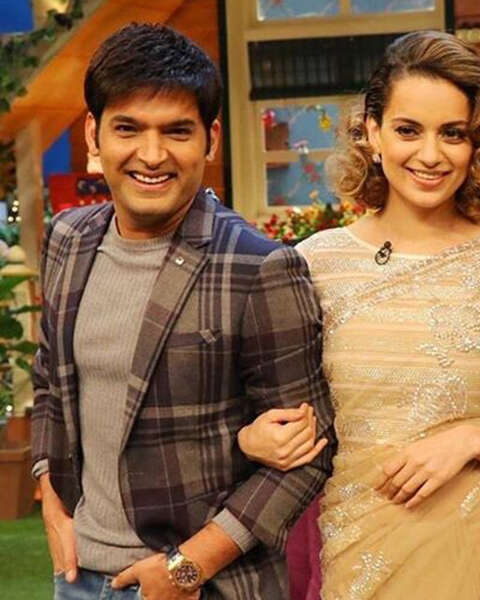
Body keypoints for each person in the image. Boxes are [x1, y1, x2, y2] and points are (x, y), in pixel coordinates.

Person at [237, 30, 480, 599]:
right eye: (409, 130)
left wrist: (474, 442)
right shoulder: (313, 266)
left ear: (477, 146)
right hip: (361, 558)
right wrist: (252, 439)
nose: (430, 155)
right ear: (372, 132)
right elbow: (266, 415)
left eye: (452, 134)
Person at [30, 23, 334, 600]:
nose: (152, 155)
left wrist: (186, 567)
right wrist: (50, 497)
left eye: (176, 131)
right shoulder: (67, 238)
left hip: (206, 585)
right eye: (128, 129)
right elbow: (50, 378)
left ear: (210, 139)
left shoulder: (258, 265)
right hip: (78, 579)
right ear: (94, 133)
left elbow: (309, 454)